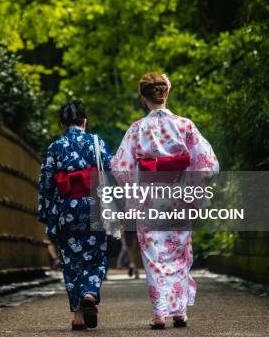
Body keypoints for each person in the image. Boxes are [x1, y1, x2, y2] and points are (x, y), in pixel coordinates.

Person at [111, 72, 219, 330]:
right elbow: (207, 164)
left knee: (153, 256)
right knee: (180, 254)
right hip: (178, 196)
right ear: (165, 93)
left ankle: (160, 313)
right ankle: (179, 313)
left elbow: (121, 167)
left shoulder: (137, 129)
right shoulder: (185, 125)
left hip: (149, 198)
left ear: (143, 98)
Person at [37, 100, 112, 330]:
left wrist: (47, 215)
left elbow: (46, 185)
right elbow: (110, 173)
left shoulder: (55, 148)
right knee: (96, 256)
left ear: (62, 124)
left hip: (67, 210)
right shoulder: (98, 143)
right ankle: (90, 293)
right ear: (84, 121)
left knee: (71, 261)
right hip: (95, 206)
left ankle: (79, 316)